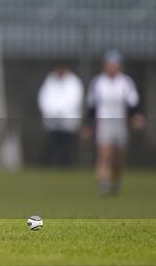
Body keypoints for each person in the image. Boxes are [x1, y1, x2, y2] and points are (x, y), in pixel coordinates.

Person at [84, 50, 146, 195]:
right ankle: (103, 182)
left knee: (118, 157)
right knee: (104, 153)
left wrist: (137, 117)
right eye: (110, 64)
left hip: (120, 123)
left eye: (115, 64)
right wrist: (87, 126)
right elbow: (91, 106)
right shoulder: (98, 82)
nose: (112, 67)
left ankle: (116, 180)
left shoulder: (125, 82)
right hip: (104, 122)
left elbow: (133, 104)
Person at [37, 64, 84, 166]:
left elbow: (75, 100)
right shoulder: (50, 80)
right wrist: (52, 112)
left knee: (66, 145)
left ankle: (66, 165)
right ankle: (48, 165)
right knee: (52, 143)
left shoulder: (73, 81)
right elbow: (44, 98)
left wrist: (62, 112)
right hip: (52, 120)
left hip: (68, 120)